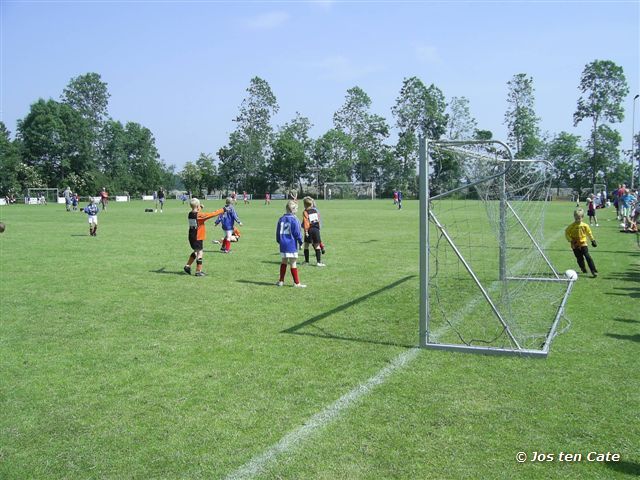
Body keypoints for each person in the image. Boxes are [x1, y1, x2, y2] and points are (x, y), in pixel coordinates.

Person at [183, 198, 226, 277]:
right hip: (197, 236)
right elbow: (211, 214)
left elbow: (196, 212)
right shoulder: (199, 215)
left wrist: (200, 207)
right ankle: (198, 271)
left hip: (191, 235)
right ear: (197, 206)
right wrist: (223, 209)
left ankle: (187, 266)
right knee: (200, 252)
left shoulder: (190, 213)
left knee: (196, 251)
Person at [276, 200, 306, 288]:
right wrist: (301, 242)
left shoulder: (281, 219)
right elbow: (297, 232)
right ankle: (296, 283)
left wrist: (279, 241)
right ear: (293, 210)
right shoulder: (294, 219)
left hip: (283, 244)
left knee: (284, 262)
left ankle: (281, 281)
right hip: (291, 244)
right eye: (296, 209)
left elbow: (278, 232)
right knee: (293, 263)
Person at [565, 208, 598, 278]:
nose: (577, 220)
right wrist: (571, 240)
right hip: (575, 244)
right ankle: (583, 268)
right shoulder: (571, 226)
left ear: (582, 217)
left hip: (583, 243)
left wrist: (593, 240)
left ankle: (593, 270)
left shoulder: (585, 225)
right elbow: (566, 233)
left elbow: (589, 233)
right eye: (576, 218)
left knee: (587, 256)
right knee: (579, 258)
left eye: (579, 218)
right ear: (574, 217)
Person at [301, 196, 326, 267]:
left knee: (306, 245)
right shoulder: (315, 211)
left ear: (304, 205)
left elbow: (306, 222)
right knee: (317, 245)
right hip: (316, 229)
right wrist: (318, 229)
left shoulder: (305, 212)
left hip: (309, 230)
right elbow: (318, 220)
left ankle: (306, 261)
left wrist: (306, 231)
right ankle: (319, 262)